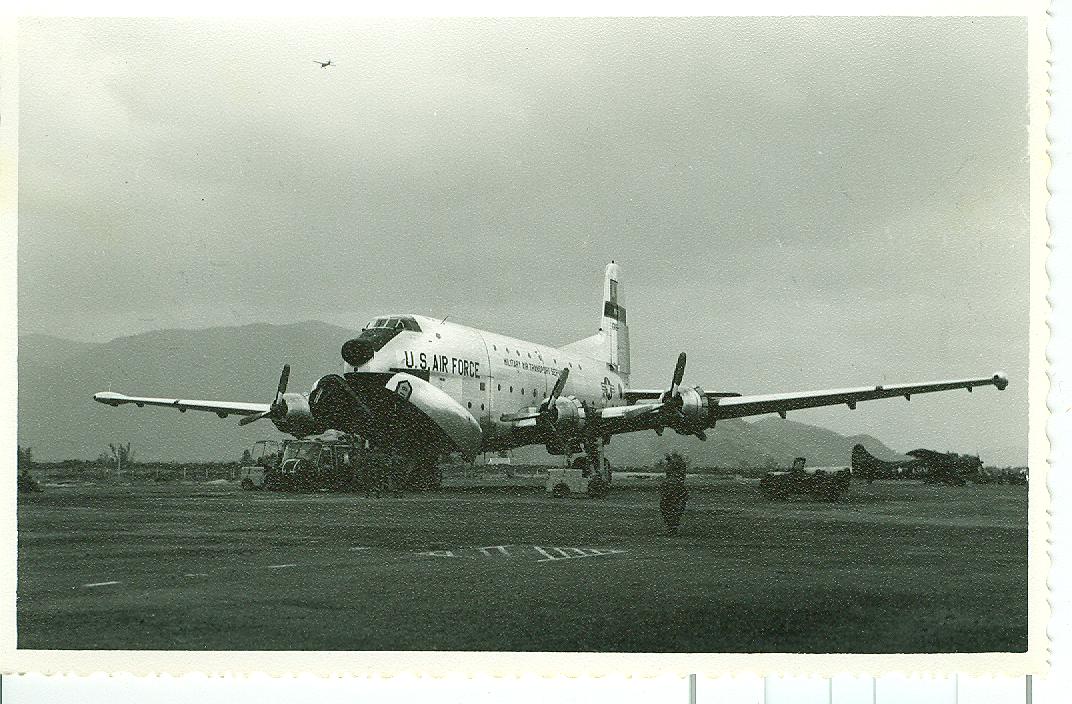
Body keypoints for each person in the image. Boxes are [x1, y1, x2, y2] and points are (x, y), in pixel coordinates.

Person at [659, 452, 689, 535]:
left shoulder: (678, 467)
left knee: (670, 508)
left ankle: (672, 528)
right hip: (672, 489)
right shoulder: (679, 468)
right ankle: (672, 528)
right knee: (670, 508)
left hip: (673, 490)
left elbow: (674, 471)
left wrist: (670, 461)